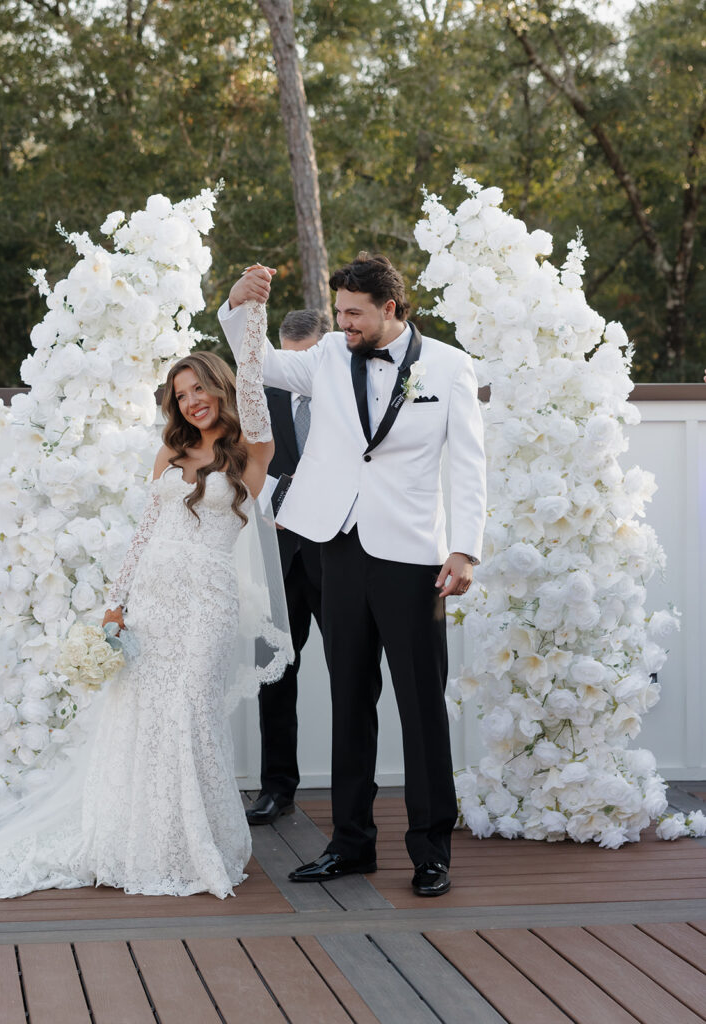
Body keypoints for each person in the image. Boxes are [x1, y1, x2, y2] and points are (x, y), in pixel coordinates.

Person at [0, 305, 291, 954]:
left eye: (199, 390)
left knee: (189, 715)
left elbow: (259, 404)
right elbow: (141, 534)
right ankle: (132, 845)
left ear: (220, 387)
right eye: (180, 395)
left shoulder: (250, 454)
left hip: (207, 608)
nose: (191, 403)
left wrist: (248, 315)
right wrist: (114, 604)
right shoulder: (170, 450)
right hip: (150, 605)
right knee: (135, 721)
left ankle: (192, 846)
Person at [219, 254, 486, 897]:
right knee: (349, 701)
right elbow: (259, 362)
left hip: (415, 556)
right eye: (339, 312)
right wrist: (238, 304)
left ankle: (431, 852)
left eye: (353, 313)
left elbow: (470, 465)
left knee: (422, 706)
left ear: (391, 309)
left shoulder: (449, 366)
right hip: (337, 546)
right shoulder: (329, 356)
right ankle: (350, 845)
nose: (343, 324)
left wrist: (464, 550)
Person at [246, 308, 331, 827]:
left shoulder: (344, 396)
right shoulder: (260, 396)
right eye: (287, 362)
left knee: (351, 672)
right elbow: (241, 465)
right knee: (273, 672)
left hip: (334, 553)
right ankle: (277, 787)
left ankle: (353, 791)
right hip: (272, 556)